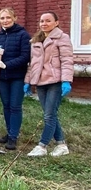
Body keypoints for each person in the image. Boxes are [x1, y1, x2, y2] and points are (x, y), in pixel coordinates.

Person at [25, 12, 73, 157]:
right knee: (49, 114)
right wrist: (27, 81)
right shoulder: (35, 40)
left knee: (49, 115)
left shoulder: (62, 38)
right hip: (40, 82)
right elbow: (32, 64)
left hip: (55, 81)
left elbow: (67, 60)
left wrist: (66, 80)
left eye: (48, 21)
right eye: (41, 21)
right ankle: (61, 145)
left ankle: (42, 146)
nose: (44, 23)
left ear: (56, 22)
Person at [0, 8, 31, 150]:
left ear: (14, 18)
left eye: (8, 18)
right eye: (2, 18)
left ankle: (13, 136)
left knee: (15, 106)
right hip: (2, 78)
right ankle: (10, 131)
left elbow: (25, 57)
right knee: (6, 105)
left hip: (16, 76)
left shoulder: (22, 35)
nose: (5, 20)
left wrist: (6, 64)